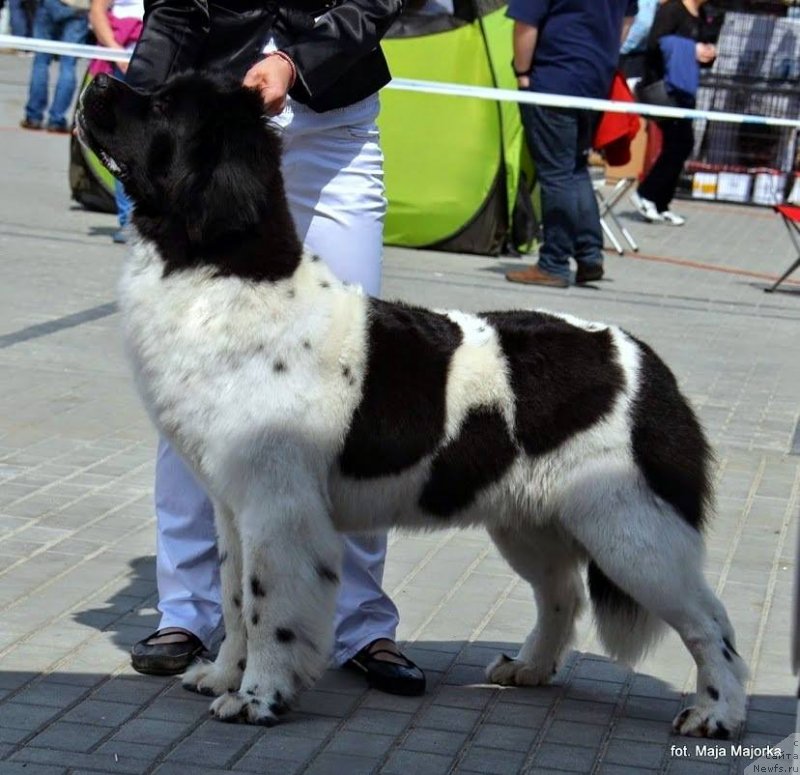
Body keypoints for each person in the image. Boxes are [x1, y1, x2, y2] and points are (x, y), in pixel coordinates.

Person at [124, 0, 426, 697]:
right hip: (214, 137)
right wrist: (134, 115)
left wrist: (295, 61)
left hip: (336, 132)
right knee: (195, 381)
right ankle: (187, 612)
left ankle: (360, 621)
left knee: (351, 380)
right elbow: (172, 11)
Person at [505, 0, 638, 289]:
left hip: (553, 79)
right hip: (595, 81)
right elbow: (627, 20)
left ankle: (553, 263)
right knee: (575, 168)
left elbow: (525, 25)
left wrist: (522, 73)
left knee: (556, 174)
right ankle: (589, 255)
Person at [630, 0, 717, 226]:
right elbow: (654, 44)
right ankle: (646, 193)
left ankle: (661, 202)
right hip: (664, 88)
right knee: (680, 142)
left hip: (684, 87)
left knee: (682, 143)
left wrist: (707, 53)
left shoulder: (704, 14)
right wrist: (688, 50)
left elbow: (703, 48)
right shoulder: (672, 9)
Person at [87, 0, 143, 244]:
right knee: (123, 145)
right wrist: (116, 51)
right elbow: (97, 11)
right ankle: (128, 219)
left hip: (162, 56)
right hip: (124, 60)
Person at [20, 0, 88, 132]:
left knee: (41, 62)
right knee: (68, 64)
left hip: (50, 4)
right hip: (78, 7)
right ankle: (56, 120)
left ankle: (33, 116)